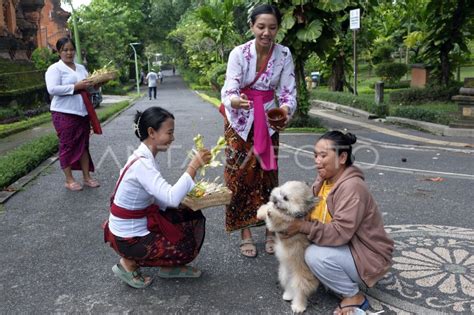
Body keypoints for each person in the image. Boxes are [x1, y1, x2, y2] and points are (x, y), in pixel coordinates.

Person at [282, 131, 394, 315]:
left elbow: (339, 232)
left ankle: (354, 296)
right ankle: (331, 278)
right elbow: (310, 213)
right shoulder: (324, 180)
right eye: (315, 155)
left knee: (314, 255)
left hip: (367, 255)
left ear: (342, 157)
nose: (317, 161)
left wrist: (302, 227)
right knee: (294, 243)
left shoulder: (352, 187)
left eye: (323, 156)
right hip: (347, 248)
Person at [103, 106, 212, 288]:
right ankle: (128, 263)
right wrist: (194, 166)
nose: (173, 138)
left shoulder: (144, 158)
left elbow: (162, 199)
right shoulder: (143, 164)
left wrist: (185, 202)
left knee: (189, 214)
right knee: (184, 246)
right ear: (152, 132)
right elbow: (170, 198)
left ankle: (166, 264)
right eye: (170, 132)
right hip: (128, 239)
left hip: (131, 227)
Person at [220, 4, 297, 258]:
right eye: (261, 26)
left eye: (272, 27)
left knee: (268, 176)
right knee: (239, 176)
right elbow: (230, 86)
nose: (266, 32)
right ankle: (245, 233)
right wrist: (234, 100)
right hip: (239, 122)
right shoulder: (238, 53)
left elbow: (287, 91)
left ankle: (270, 229)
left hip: (268, 119)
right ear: (252, 26)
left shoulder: (284, 54)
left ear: (278, 28)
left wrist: (285, 109)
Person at [45, 37, 100, 191]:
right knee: (67, 145)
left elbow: (88, 88)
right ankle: (69, 180)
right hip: (64, 113)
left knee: (83, 146)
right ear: (59, 52)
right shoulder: (55, 69)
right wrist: (75, 86)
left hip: (82, 112)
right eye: (65, 50)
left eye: (71, 49)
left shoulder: (81, 68)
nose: (69, 53)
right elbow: (52, 89)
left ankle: (86, 177)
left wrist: (97, 85)